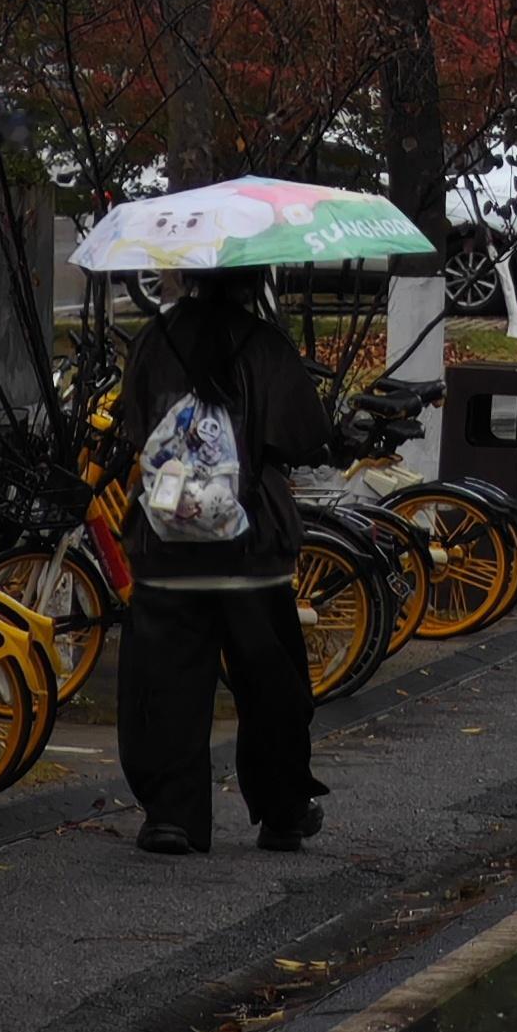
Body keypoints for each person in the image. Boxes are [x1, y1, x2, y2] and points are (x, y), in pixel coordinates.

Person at [110, 270, 332, 857]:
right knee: (270, 683)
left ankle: (171, 815)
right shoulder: (264, 344)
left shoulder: (154, 341)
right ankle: (283, 810)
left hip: (166, 540)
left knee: (166, 681)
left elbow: (134, 424)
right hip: (251, 545)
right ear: (252, 280)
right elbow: (304, 435)